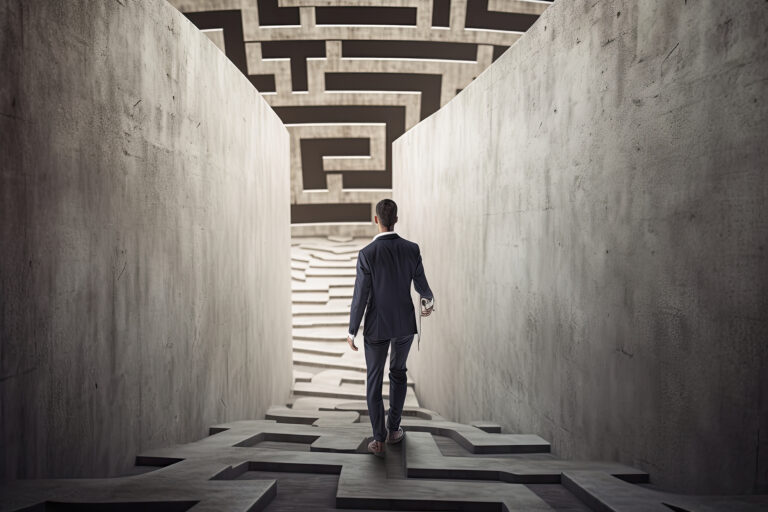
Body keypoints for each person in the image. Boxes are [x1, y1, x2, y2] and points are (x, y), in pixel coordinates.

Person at [345, 199, 434, 456]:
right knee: (398, 373)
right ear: (396, 218)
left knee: (374, 381)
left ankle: (379, 440)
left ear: (376, 220)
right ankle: (394, 430)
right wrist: (429, 299)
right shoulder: (411, 249)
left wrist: (352, 330)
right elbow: (421, 284)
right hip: (404, 323)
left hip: (376, 327)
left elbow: (360, 295)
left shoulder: (367, 254)